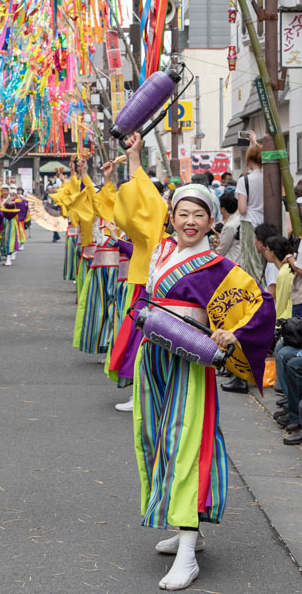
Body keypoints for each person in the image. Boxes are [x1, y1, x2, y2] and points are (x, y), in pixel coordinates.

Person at [121, 132, 275, 591]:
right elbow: (137, 206)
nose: (190, 221)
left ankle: (187, 551)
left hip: (189, 364)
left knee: (187, 445)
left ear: (212, 222)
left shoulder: (219, 267)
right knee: (155, 441)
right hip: (153, 361)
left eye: (199, 214)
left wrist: (232, 334)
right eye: (182, 213)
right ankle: (189, 528)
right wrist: (132, 155)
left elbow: (259, 306)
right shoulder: (160, 250)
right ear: (172, 218)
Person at [236, 135, 264, 284]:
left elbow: (242, 209)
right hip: (269, 224)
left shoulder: (244, 180)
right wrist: (254, 143)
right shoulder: (271, 176)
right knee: (268, 264)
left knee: (252, 264)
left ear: (249, 159)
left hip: (250, 224)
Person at [263, 235, 294, 320]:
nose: (264, 252)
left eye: (266, 249)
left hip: (287, 318)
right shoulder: (287, 269)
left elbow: (281, 304)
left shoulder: (284, 272)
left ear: (272, 253)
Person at [217, 193, 241, 264]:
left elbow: (222, 250)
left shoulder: (229, 226)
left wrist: (215, 249)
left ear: (223, 208)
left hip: (231, 261)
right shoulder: (238, 219)